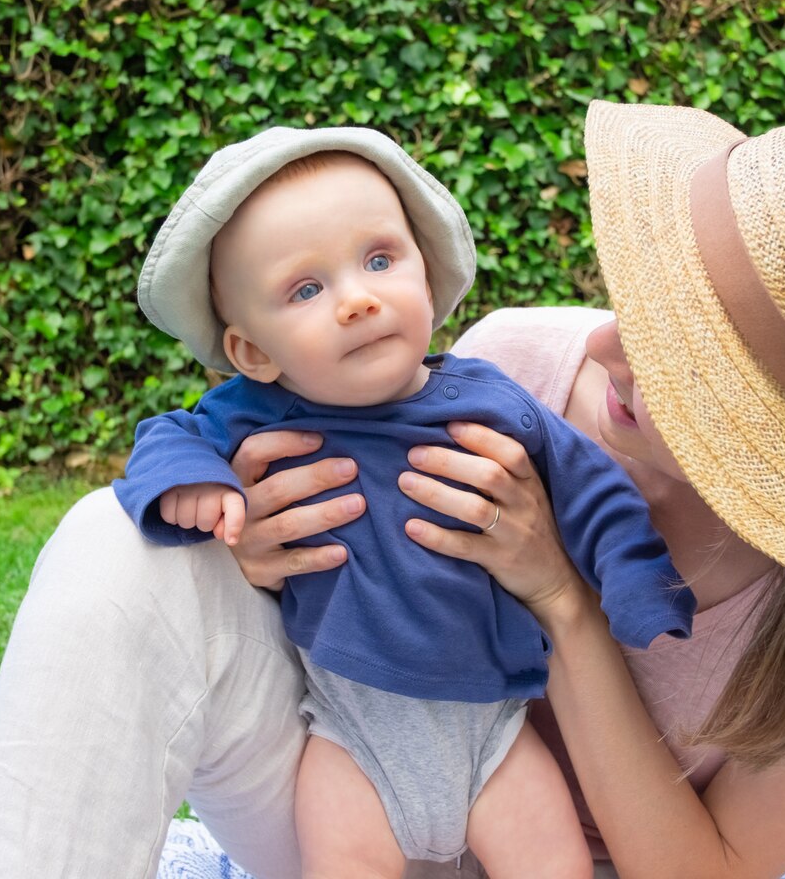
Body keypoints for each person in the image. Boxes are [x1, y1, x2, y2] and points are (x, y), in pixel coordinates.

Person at [0, 90, 785, 879]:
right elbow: (323, 533)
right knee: (116, 541)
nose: (606, 350)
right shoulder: (528, 356)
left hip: (552, 843)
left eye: (685, 372)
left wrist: (563, 598)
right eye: (651, 306)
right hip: (347, 785)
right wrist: (245, 548)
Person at [110, 126, 692, 878]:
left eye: (380, 260)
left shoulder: (489, 404)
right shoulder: (258, 412)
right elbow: (166, 436)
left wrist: (640, 584)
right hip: (352, 737)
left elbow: (592, 490)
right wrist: (195, 484)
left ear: (426, 278)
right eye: (306, 290)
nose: (357, 300)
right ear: (253, 352)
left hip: (496, 737)